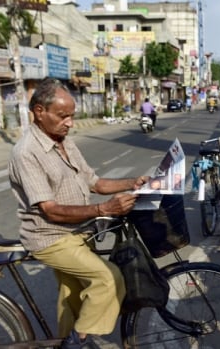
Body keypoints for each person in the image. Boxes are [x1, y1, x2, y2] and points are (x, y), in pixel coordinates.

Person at [8, 78, 149, 348]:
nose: (69, 123)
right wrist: (104, 209)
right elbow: (50, 211)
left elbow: (94, 182)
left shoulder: (63, 141)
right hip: (50, 237)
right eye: (63, 116)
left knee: (72, 299)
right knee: (108, 279)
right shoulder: (27, 153)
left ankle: (67, 337)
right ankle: (76, 341)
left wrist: (134, 182)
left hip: (77, 232)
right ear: (40, 112)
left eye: (72, 116)